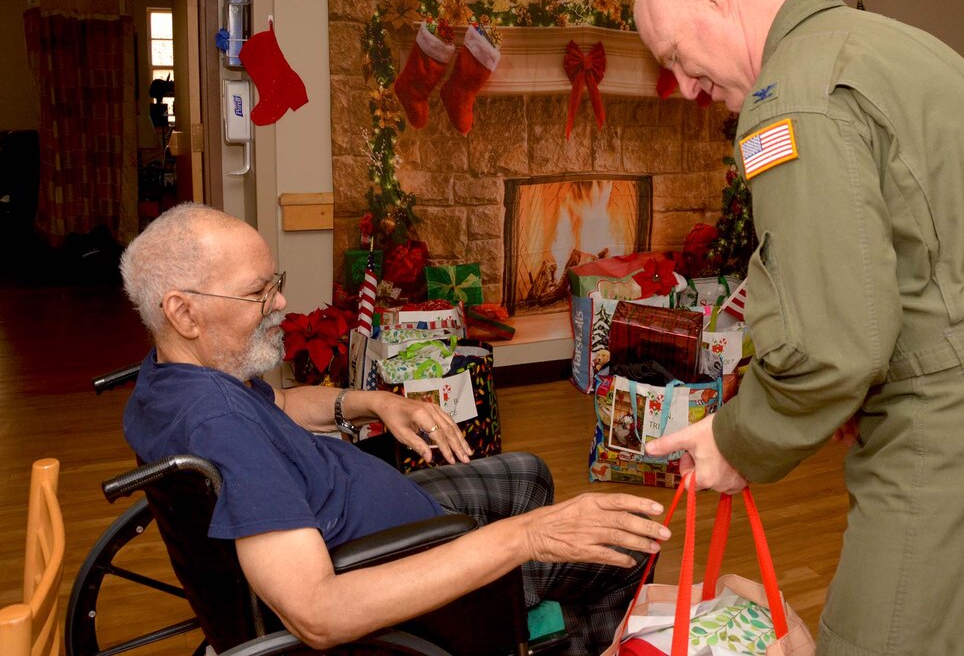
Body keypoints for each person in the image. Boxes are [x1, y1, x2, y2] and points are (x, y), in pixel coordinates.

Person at [635, 0, 964, 656]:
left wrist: (735, 439)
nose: (684, 87)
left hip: (955, 432)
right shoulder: (905, 47)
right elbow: (920, 268)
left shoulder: (791, 99)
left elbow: (831, 344)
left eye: (678, 57)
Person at [118, 202, 670, 655]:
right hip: (408, 579)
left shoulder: (177, 378)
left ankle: (535, 606)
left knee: (529, 475)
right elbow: (318, 613)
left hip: (366, 516)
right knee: (626, 548)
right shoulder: (221, 427)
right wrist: (526, 537)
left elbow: (280, 404)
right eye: (258, 292)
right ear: (183, 313)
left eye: (274, 283)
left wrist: (374, 402)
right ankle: (543, 628)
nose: (280, 302)